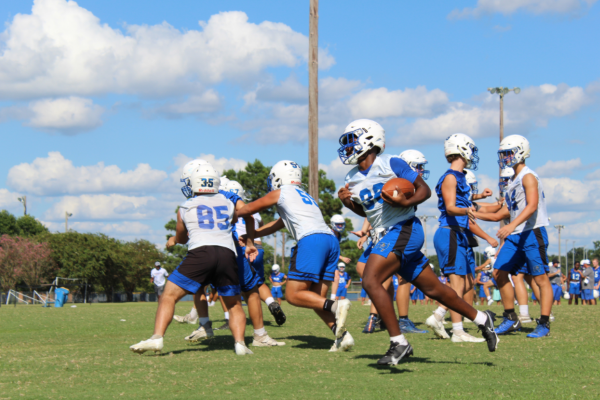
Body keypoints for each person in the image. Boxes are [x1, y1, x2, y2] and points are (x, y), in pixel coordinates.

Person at [338, 119, 498, 364]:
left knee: (370, 280)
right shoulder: (352, 177)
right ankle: (482, 319)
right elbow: (369, 213)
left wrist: (404, 202)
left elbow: (423, 190)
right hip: (385, 234)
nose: (348, 148)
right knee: (435, 289)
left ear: (369, 140)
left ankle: (399, 343)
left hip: (404, 228)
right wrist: (348, 202)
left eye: (351, 141)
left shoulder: (391, 162)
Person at [130, 163, 256, 355]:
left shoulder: (186, 206)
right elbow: (231, 222)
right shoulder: (228, 203)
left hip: (201, 252)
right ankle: (240, 344)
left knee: (169, 296)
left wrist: (173, 239)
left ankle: (157, 338)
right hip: (227, 254)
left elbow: (182, 238)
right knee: (234, 304)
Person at [237, 160, 354, 353]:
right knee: (314, 299)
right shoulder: (303, 195)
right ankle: (342, 336)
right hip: (330, 240)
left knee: (293, 294)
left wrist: (230, 212)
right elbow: (280, 223)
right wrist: (253, 234)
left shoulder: (282, 192)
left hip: (311, 241)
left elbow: (249, 209)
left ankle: (336, 305)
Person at [473, 135, 553, 338]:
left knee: (540, 278)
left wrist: (511, 227)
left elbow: (532, 206)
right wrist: (475, 212)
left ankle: (543, 323)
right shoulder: (513, 182)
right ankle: (510, 318)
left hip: (532, 232)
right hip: (517, 234)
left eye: (508, 153)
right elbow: (503, 213)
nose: (505, 157)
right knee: (499, 273)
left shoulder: (528, 176)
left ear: (520, 152)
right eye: (503, 154)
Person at [427, 134, 497, 344]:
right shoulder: (450, 176)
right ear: (462, 149)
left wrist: (479, 197)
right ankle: (453, 327)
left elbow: (461, 198)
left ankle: (442, 316)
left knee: (467, 282)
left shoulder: (460, 177)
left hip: (459, 233)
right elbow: (450, 206)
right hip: (450, 232)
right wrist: (468, 210)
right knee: (456, 284)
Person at [226, 180, 287, 326]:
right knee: (259, 282)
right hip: (257, 248)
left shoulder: (223, 206)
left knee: (240, 286)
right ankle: (272, 303)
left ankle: (233, 319)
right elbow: (257, 224)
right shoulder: (252, 209)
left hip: (241, 247)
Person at [330, 214, 352, 300]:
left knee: (336, 277)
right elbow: (330, 250)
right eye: (338, 224)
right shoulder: (329, 234)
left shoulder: (338, 235)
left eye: (341, 224)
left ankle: (332, 299)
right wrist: (342, 258)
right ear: (332, 224)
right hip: (324, 258)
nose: (340, 226)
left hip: (332, 259)